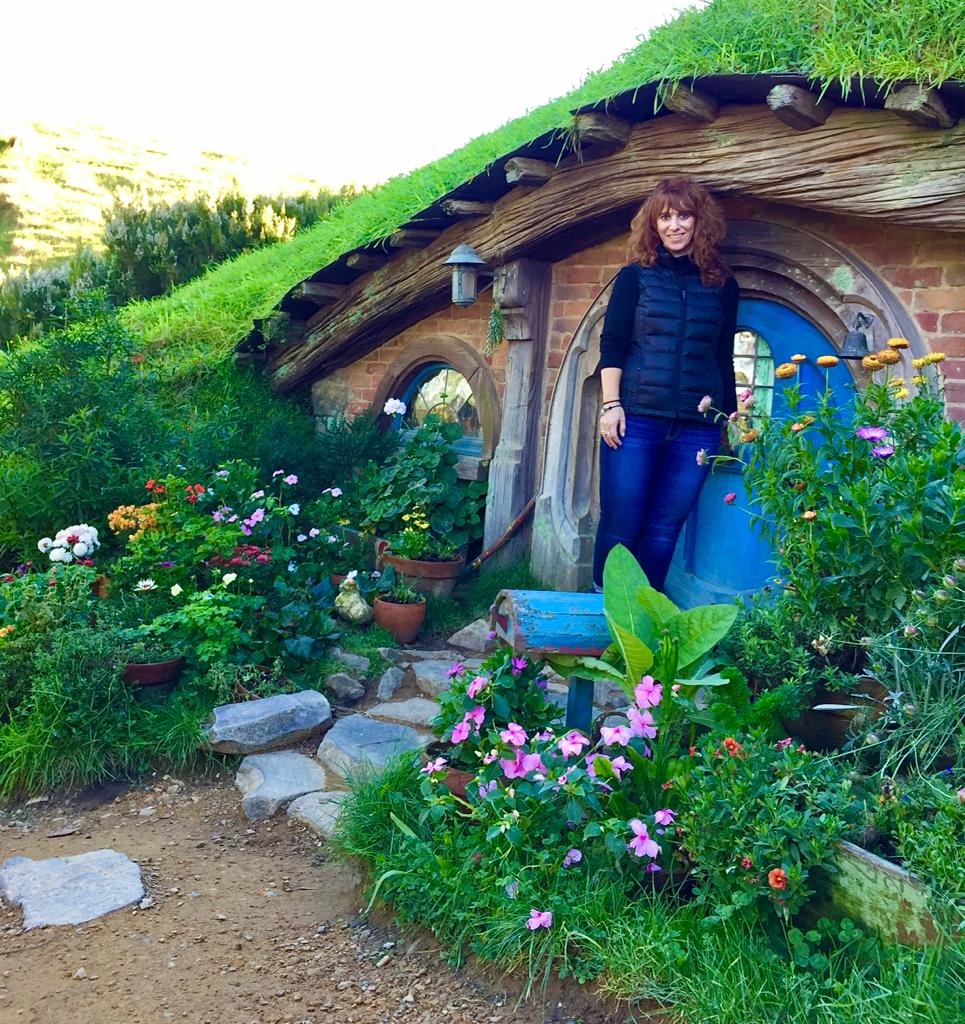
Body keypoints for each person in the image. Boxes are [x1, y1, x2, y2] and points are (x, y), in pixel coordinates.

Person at [592, 176, 738, 593]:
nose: (674, 226)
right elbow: (613, 345)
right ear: (653, 225)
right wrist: (611, 406)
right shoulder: (634, 277)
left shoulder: (723, 285)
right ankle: (602, 615)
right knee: (622, 522)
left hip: (696, 428)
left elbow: (722, 355)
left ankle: (645, 614)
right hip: (635, 422)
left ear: (699, 222)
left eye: (683, 216)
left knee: (662, 529)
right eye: (665, 217)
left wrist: (728, 418)